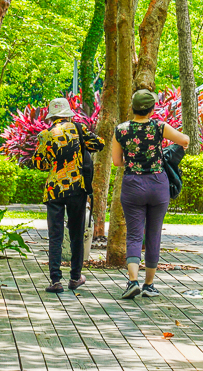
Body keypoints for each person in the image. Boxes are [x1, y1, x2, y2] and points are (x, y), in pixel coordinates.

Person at [111, 88, 190, 299]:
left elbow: (117, 162)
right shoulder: (159, 127)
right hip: (158, 184)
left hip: (132, 185)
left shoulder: (121, 129)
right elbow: (184, 140)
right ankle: (149, 285)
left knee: (135, 235)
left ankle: (132, 281)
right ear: (152, 108)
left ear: (133, 107)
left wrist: (134, 161)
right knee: (153, 234)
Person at [32, 96, 104, 294]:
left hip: (54, 190)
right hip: (76, 189)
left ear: (52, 116)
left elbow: (38, 162)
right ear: (68, 114)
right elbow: (99, 144)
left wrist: (53, 162)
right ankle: (75, 277)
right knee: (76, 233)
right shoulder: (79, 129)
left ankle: (55, 281)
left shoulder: (46, 134)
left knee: (55, 235)